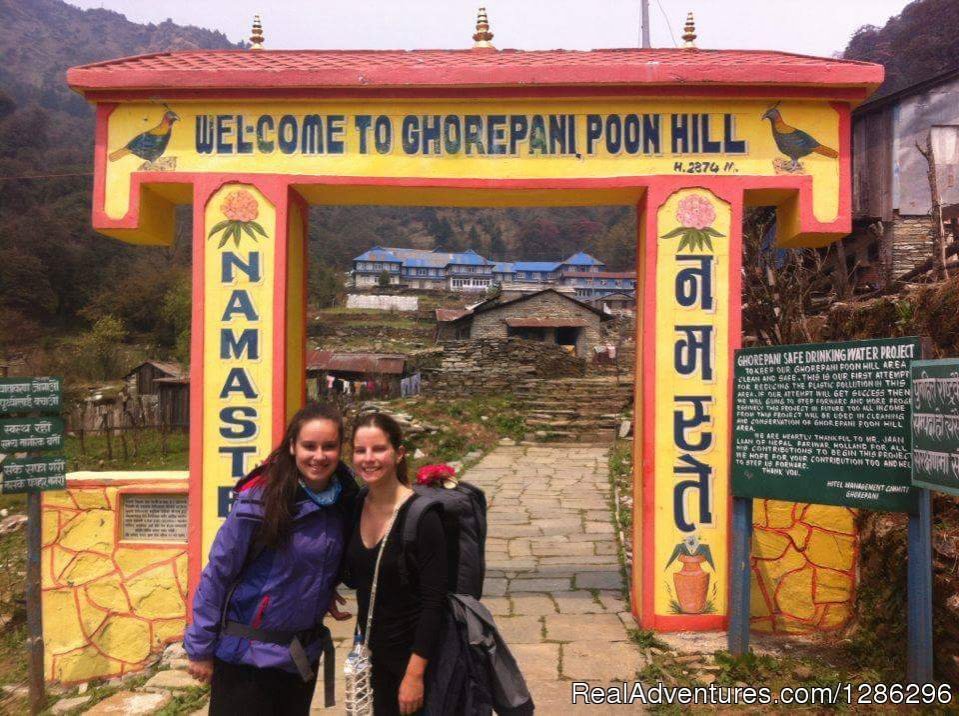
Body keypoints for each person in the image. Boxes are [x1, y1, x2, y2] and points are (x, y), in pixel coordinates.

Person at [184, 402, 358, 715]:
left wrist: (324, 586)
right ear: (292, 446)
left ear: (339, 449)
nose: (319, 456)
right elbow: (218, 573)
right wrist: (199, 648)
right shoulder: (261, 500)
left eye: (329, 446)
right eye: (309, 446)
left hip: (300, 657)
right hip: (247, 659)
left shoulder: (343, 501)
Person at [345, 412, 448, 716]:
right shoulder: (356, 504)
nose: (369, 458)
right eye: (360, 450)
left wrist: (415, 676)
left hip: (414, 661)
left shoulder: (423, 516)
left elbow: (434, 603)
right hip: (370, 657)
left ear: (399, 453)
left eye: (379, 449)